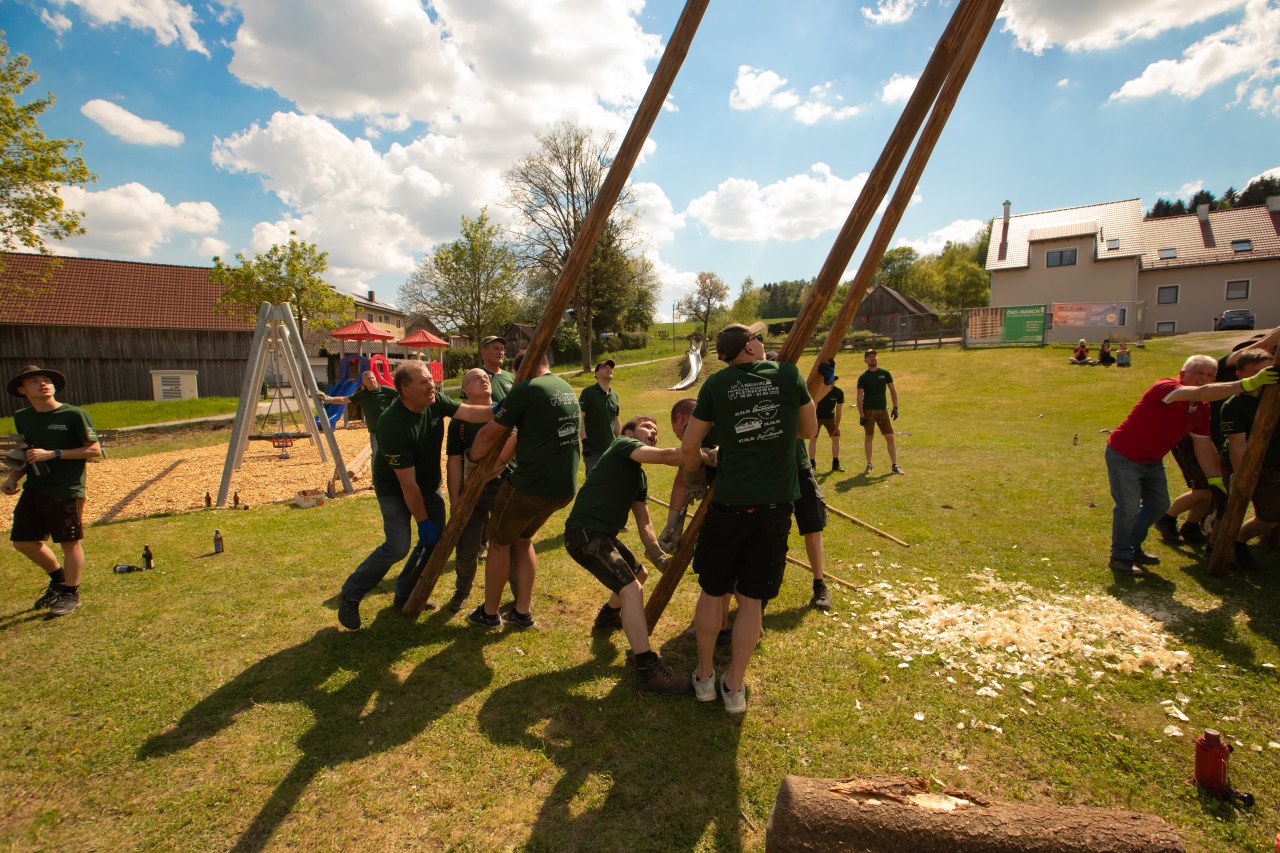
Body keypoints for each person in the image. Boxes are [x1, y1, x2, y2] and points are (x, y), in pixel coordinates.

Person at [681, 322, 816, 714]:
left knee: (712, 590)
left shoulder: (716, 385)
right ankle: (734, 686)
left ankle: (704, 677)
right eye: (758, 337)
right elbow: (808, 430)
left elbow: (691, 444)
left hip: (729, 505)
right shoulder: (788, 375)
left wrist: (693, 475)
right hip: (774, 508)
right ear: (752, 347)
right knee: (752, 598)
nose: (762, 341)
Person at [336, 361, 494, 629]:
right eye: (423, 382)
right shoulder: (392, 423)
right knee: (397, 545)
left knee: (433, 543)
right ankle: (351, 595)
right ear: (404, 389)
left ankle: (404, 593)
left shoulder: (435, 401)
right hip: (395, 489)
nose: (431, 385)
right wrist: (422, 522)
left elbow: (470, 412)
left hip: (428, 484)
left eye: (430, 380)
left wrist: (502, 411)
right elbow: (408, 485)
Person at [1104, 353, 1277, 576]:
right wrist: (1250, 383)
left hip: (1152, 461)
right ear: (1183, 374)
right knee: (1127, 507)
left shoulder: (1202, 409)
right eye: (1198, 373)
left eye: (1210, 375)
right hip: (1123, 455)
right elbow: (1200, 392)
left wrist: (1215, 481)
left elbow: (1203, 445)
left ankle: (1132, 546)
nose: (1204, 378)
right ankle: (1120, 556)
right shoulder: (1165, 387)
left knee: (1158, 506)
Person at [565, 414, 688, 693]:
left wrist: (660, 559)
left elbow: (644, 522)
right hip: (584, 533)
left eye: (656, 430)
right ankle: (646, 668)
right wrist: (701, 455)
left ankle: (609, 614)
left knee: (639, 574)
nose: (653, 432)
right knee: (632, 590)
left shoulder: (638, 476)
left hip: (601, 536)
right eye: (648, 427)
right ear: (631, 431)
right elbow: (669, 456)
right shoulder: (622, 443)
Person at [467, 350, 580, 629]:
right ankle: (522, 612)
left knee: (498, 542)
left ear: (520, 372)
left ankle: (489, 613)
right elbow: (528, 433)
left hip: (530, 486)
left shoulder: (526, 389)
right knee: (523, 539)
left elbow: (488, 434)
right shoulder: (564, 387)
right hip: (563, 486)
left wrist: (473, 460)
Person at [1155, 328, 1280, 545]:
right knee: (1204, 489)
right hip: (1194, 438)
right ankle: (1167, 519)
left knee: (1212, 491)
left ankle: (1192, 525)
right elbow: (1261, 346)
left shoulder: (1256, 384)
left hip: (1209, 439)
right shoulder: (1223, 368)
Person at [3, 365, 102, 617]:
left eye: (46, 380)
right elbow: (24, 449)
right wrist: (13, 477)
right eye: (34, 381)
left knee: (69, 542)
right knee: (23, 541)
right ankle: (58, 579)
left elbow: (94, 450)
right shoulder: (23, 416)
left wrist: (54, 453)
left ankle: (71, 593)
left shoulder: (74, 415)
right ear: (22, 390)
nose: (43, 384)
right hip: (35, 487)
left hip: (66, 488)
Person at [445, 368, 517, 613]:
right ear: (465, 389)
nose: (484, 379)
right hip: (472, 490)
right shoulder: (459, 423)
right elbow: (454, 462)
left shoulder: (506, 412)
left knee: (509, 541)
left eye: (485, 377)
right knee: (466, 546)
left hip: (503, 484)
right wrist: (455, 501)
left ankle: (518, 593)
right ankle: (462, 590)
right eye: (476, 378)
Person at [1219, 350, 1280, 571]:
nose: (1266, 376)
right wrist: (1242, 476)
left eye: (1270, 370)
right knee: (1265, 516)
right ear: (1240, 374)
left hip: (1274, 465)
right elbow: (1237, 444)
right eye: (1257, 372)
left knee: (1273, 514)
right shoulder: (1234, 405)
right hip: (1246, 464)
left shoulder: (1276, 394)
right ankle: (1237, 542)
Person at [322, 370, 397, 454]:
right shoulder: (361, 395)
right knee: (376, 454)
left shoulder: (386, 390)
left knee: (392, 453)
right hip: (375, 430)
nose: (371, 380)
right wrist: (329, 399)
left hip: (389, 429)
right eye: (368, 379)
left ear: (375, 379)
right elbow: (344, 399)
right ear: (364, 382)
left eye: (372, 378)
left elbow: (403, 397)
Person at [856, 348, 902, 475]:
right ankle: (869, 464)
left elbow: (893, 390)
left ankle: (894, 466)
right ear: (865, 360)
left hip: (883, 411)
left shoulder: (885, 373)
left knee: (890, 437)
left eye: (874, 356)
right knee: (869, 437)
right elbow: (859, 397)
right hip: (868, 412)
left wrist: (895, 407)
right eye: (870, 356)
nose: (873, 358)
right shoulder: (863, 377)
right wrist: (861, 415)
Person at [579, 359, 620, 476]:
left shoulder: (615, 395)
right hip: (593, 450)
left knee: (611, 479)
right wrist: (584, 441)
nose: (609, 369)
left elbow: (616, 420)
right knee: (594, 482)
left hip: (611, 448)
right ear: (596, 374)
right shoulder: (588, 392)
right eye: (604, 367)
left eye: (611, 367)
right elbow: (580, 418)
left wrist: (621, 440)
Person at [809, 376, 844, 471]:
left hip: (830, 418)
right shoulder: (818, 391)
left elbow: (839, 410)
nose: (830, 382)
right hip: (817, 417)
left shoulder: (838, 392)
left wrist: (837, 426)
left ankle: (836, 464)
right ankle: (812, 465)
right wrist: (812, 421)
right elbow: (813, 406)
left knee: (836, 438)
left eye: (832, 381)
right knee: (813, 439)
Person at [478, 335, 515, 403]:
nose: (500, 352)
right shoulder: (475, 376)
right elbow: (467, 407)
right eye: (496, 349)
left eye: (502, 349)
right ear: (483, 351)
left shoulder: (510, 377)